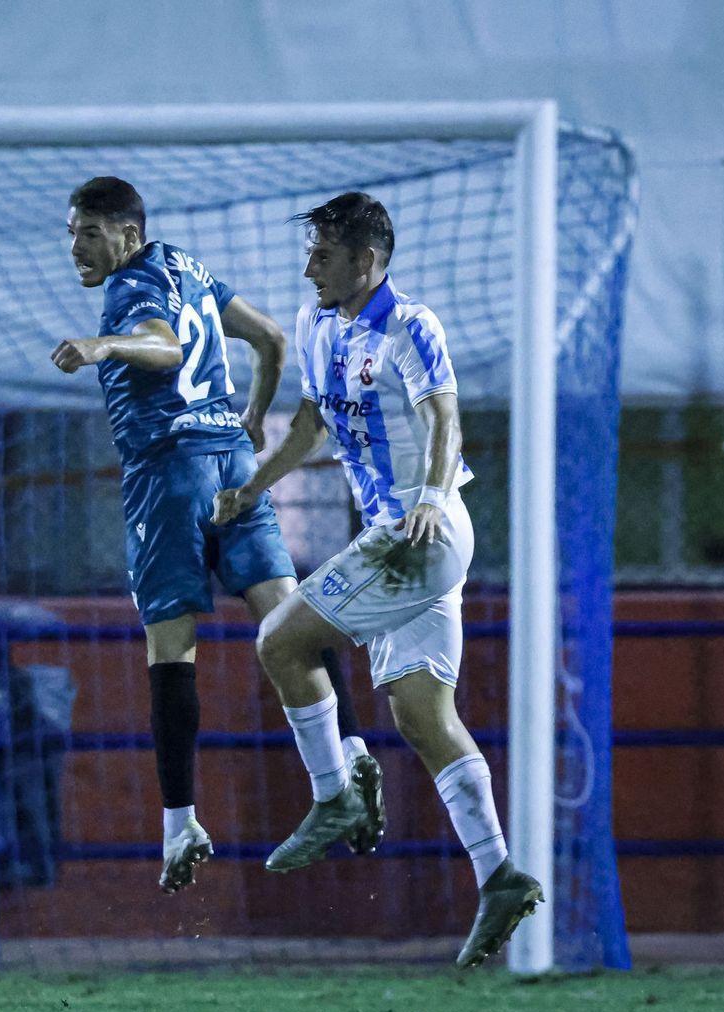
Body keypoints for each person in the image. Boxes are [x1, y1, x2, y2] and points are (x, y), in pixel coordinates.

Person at [212, 192, 544, 966]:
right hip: (404, 540)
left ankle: (336, 792)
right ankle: (499, 875)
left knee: (279, 641)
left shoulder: (411, 325)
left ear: (366, 262)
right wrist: (253, 490)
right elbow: (310, 425)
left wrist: (428, 495)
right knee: (424, 716)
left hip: (418, 534)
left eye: (323, 255)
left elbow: (442, 416)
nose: (308, 267)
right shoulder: (316, 324)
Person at [50, 177, 382, 896]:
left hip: (168, 475)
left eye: (89, 233)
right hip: (231, 464)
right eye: (72, 231)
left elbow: (163, 349)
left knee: (171, 650)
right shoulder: (188, 267)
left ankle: (179, 824)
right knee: (291, 622)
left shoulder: (130, 286)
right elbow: (270, 337)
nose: (76, 246)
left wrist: (101, 345)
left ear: (128, 236)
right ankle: (347, 758)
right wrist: (254, 416)